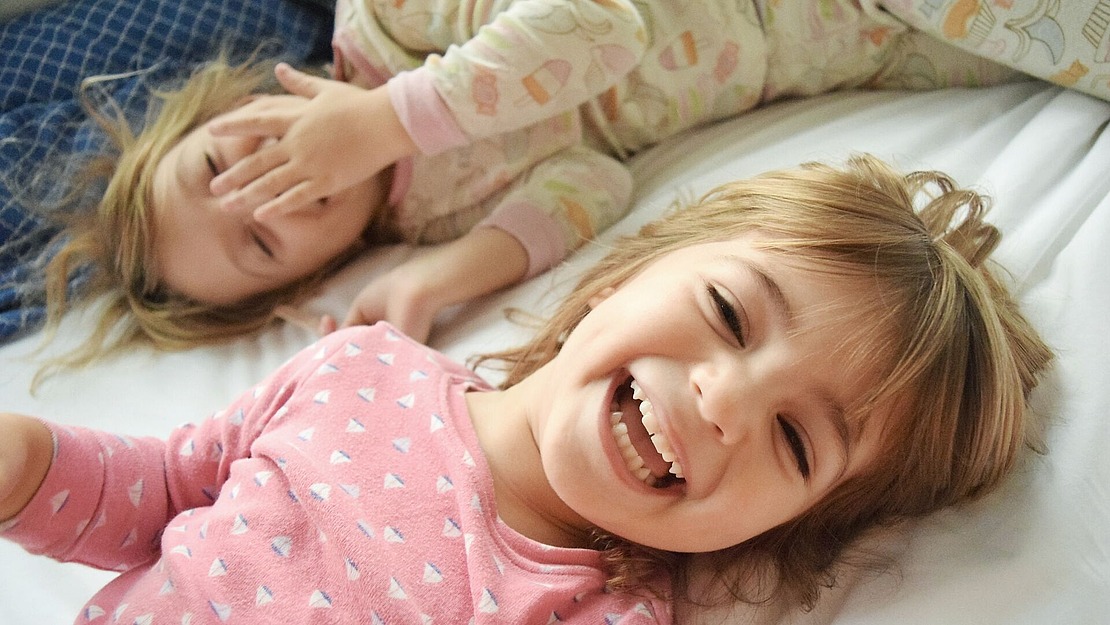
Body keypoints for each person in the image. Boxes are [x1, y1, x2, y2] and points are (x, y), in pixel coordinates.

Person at [0, 156, 1054, 621]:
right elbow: (164, 493)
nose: (728, 401)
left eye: (795, 441)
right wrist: (28, 466)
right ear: (619, 274)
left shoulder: (606, 610)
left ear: (794, 528)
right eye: (731, 315)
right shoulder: (362, 368)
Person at [7, 0, 1048, 371]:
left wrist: (384, 117)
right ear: (317, 269)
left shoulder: (389, 28)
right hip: (847, 52)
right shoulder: (430, 212)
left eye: (221, 167)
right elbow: (591, 179)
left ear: (221, 107)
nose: (267, 193)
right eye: (261, 243)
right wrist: (443, 276)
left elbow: (603, 27)